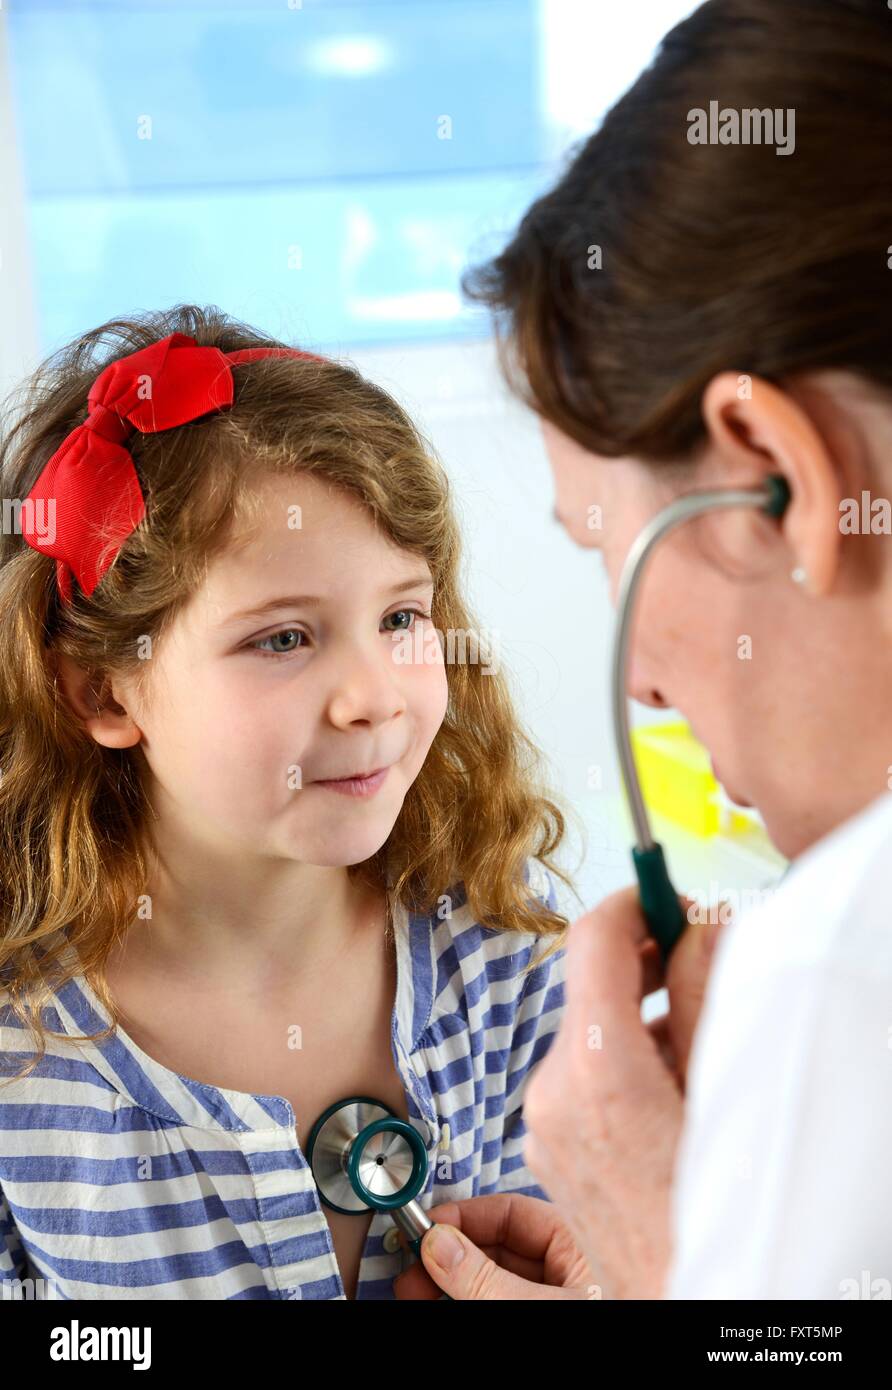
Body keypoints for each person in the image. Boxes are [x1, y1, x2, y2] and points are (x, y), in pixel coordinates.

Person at [393, 0, 892, 1300]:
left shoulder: (840, 964)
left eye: (602, 545)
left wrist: (658, 1257)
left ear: (775, 477)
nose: (638, 683)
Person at [0, 308, 575, 1300]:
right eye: (283, 639)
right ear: (101, 689)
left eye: (401, 616)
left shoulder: (498, 932)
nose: (374, 697)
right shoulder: (28, 1056)